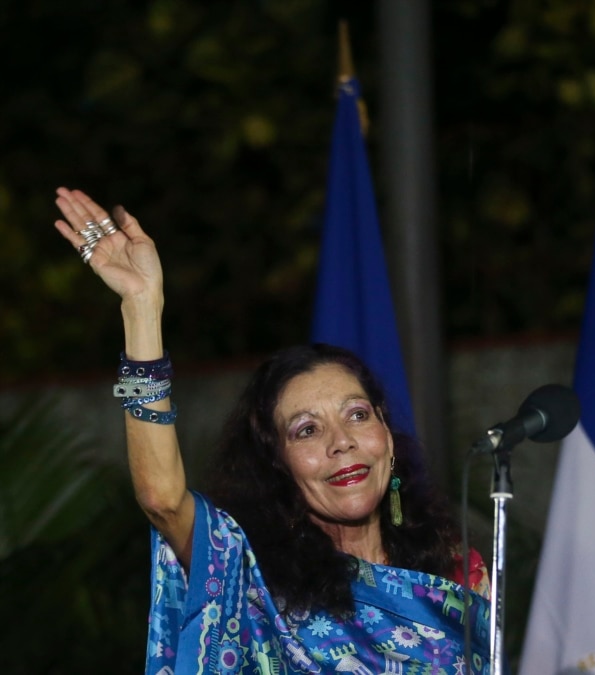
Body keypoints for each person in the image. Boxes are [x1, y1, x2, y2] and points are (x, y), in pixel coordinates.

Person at [53, 188, 490, 674]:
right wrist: (141, 307)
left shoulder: (453, 575)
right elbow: (161, 497)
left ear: (387, 435)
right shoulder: (249, 577)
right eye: (306, 430)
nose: (340, 441)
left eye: (358, 415)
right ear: (277, 462)